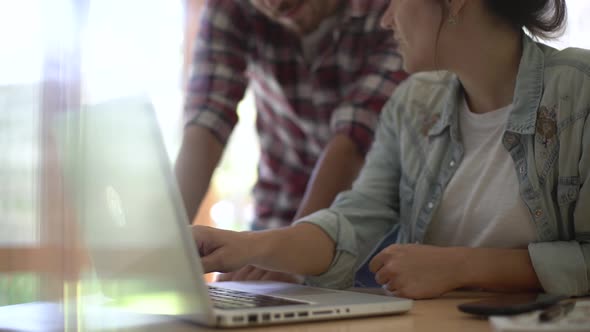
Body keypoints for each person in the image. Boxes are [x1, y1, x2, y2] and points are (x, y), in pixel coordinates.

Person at [192, 0, 590, 299]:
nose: (385, 19)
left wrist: (463, 266)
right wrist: (245, 246)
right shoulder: (412, 105)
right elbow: (352, 221)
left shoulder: (581, 93)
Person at [176, 0, 406, 281]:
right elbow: (207, 120)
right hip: (277, 213)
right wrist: (164, 242)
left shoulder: (391, 11)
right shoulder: (230, 6)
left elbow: (354, 139)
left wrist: (291, 255)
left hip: (372, 231)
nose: (273, 3)